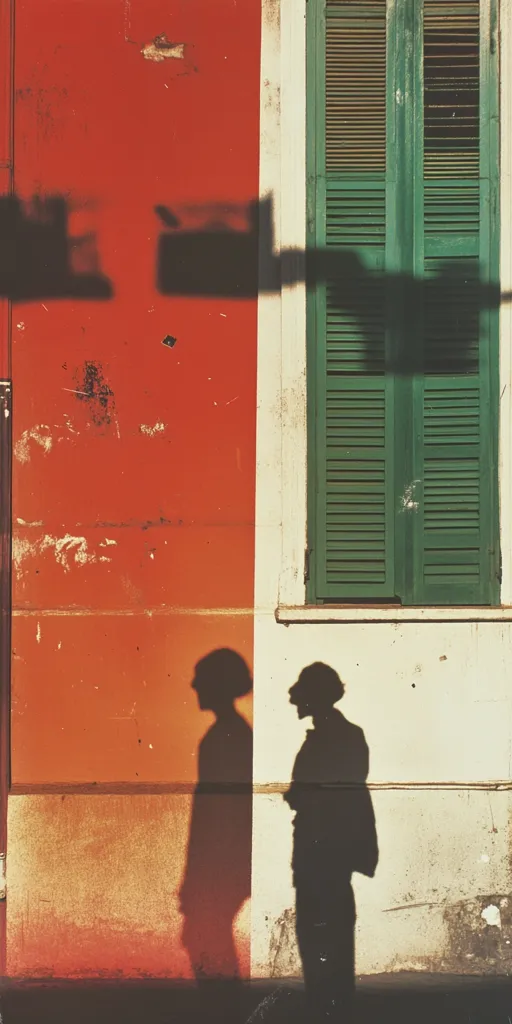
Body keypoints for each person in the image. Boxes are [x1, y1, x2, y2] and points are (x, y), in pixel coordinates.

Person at [284, 663, 378, 1023]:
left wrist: (300, 797)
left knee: (321, 927)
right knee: (328, 927)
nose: (295, 699)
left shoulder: (338, 735)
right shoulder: (342, 734)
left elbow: (333, 792)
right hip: (327, 848)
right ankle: (330, 1001)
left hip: (323, 848)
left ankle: (327, 1003)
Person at [180, 648, 253, 983]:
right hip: (225, 862)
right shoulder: (232, 734)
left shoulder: (223, 738)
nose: (194, 685)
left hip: (219, 863)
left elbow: (214, 814)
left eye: (201, 679)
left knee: (207, 947)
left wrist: (196, 875)